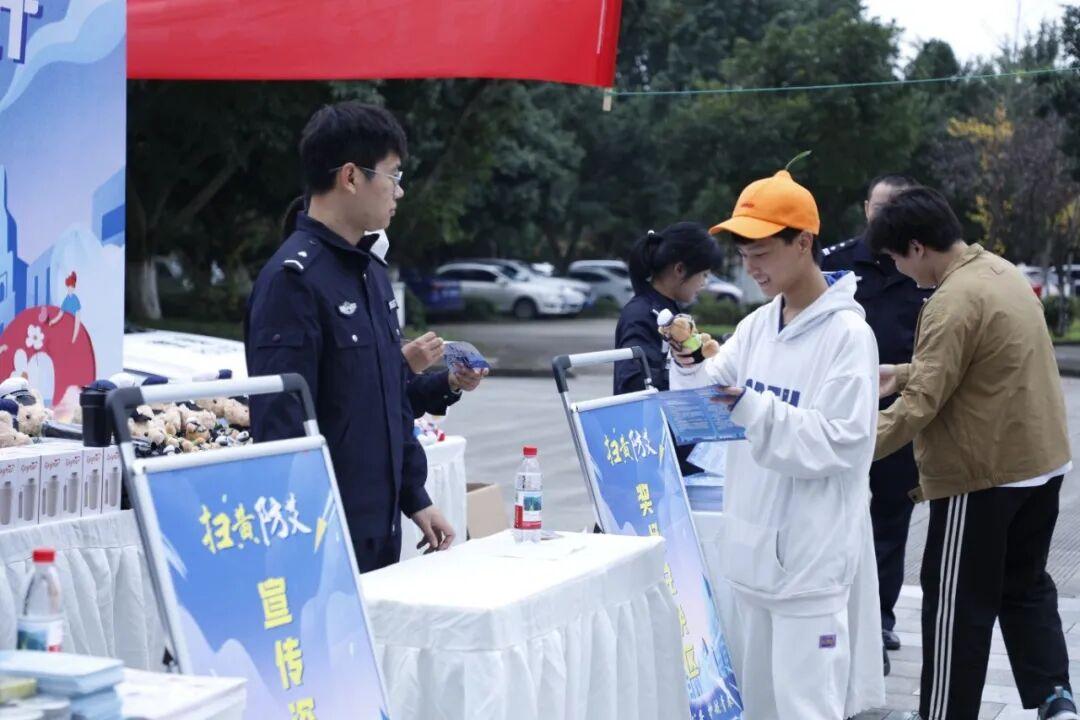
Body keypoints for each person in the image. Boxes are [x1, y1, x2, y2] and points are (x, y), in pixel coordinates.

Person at [669, 167, 884, 719]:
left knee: (807, 706)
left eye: (762, 252)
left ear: (804, 242)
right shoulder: (758, 325)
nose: (751, 267)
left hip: (810, 567)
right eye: (744, 255)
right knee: (762, 705)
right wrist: (688, 362)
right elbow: (711, 394)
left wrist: (753, 407)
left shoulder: (848, 336)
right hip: (754, 558)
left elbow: (841, 442)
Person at [869, 187, 1077, 720]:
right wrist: (902, 372)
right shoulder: (1000, 273)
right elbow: (982, 363)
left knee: (954, 602)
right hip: (1041, 463)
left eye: (896, 258)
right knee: (1024, 583)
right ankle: (1056, 698)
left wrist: (847, 445)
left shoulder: (950, 300)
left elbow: (921, 405)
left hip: (984, 475)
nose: (898, 270)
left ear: (917, 247)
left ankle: (942, 713)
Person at [245, 102, 455, 572]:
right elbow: (281, 427)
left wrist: (414, 496)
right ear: (351, 177)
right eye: (393, 175)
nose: (399, 191)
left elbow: (389, 397)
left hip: (378, 523)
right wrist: (300, 541)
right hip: (322, 534)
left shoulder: (370, 273)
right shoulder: (294, 280)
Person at [821, 174, 930, 657]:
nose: (886, 216)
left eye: (897, 207)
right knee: (834, 512)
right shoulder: (836, 264)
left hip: (898, 416)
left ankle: (879, 620)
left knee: (890, 519)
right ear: (866, 208)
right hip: (839, 411)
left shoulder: (923, 266)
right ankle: (834, 613)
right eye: (880, 207)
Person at [280, 198, 487, 419]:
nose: (398, 192)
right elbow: (314, 397)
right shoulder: (296, 284)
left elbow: (403, 394)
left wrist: (451, 381)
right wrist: (402, 365)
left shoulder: (374, 280)